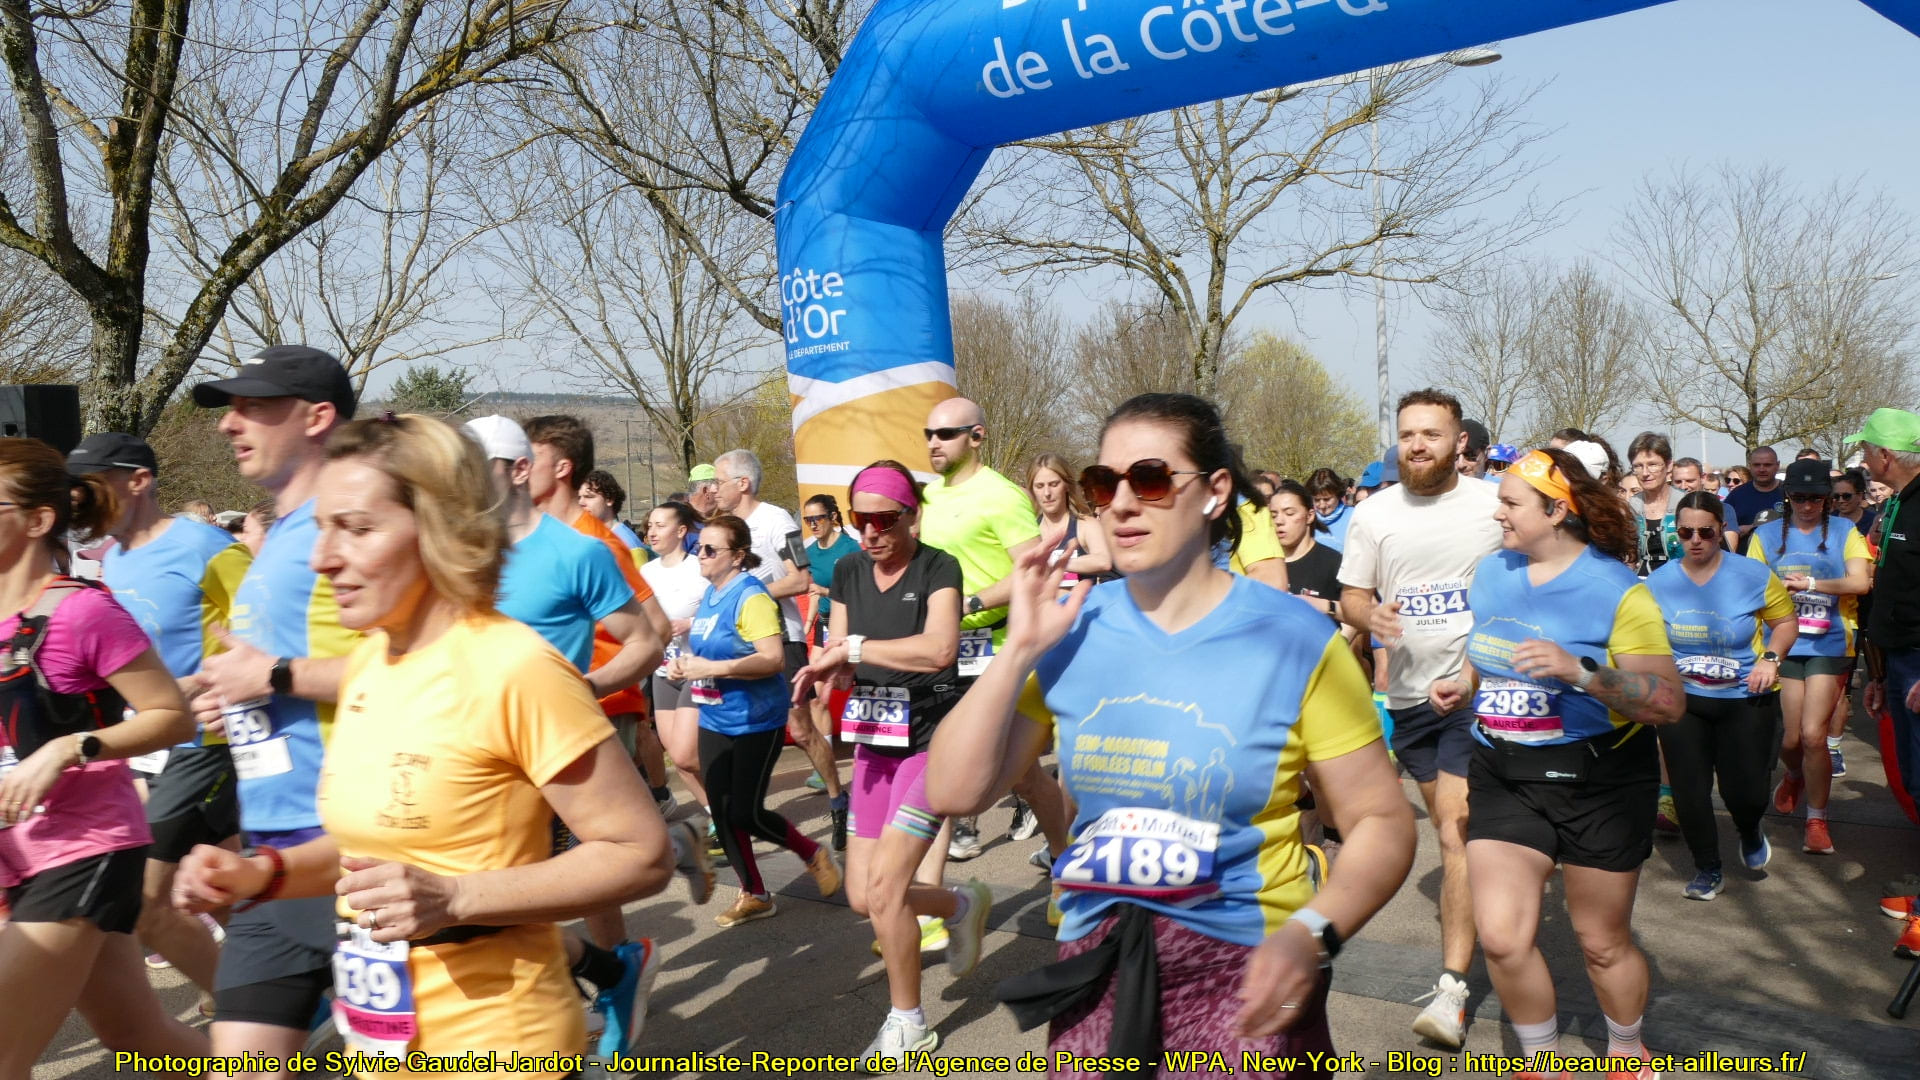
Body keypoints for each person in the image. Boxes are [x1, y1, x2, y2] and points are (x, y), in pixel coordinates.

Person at [925, 392, 1415, 1074]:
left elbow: (1381, 822)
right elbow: (953, 791)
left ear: (1215, 492)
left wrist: (1313, 934)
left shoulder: (1293, 637)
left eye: (1151, 479)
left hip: (1247, 966)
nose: (1122, 504)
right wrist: (1018, 652)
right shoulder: (1073, 627)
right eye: (1104, 484)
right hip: (1099, 958)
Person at [174, 414, 678, 1066]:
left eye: (357, 529)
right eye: (324, 527)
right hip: (387, 1045)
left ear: (438, 530)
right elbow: (375, 849)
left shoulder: (513, 667)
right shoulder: (372, 662)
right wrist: (263, 872)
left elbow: (642, 853)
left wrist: (457, 898)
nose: (323, 557)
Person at [1432, 448, 1683, 1080]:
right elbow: (1487, 652)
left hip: (1599, 781)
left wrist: (1581, 672)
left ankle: (1626, 1048)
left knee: (1601, 944)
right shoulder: (1492, 572)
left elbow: (1667, 702)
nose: (1498, 514)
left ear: (1556, 511)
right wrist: (1463, 683)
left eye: (1511, 503)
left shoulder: (1617, 590)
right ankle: (1542, 1060)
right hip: (1505, 772)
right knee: (1502, 938)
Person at [0, 439, 206, 1076]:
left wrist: (69, 748)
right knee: (138, 1037)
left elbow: (172, 715)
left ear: (37, 520)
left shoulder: (81, 611)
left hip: (83, 848)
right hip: (14, 854)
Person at [187, 345, 366, 1073]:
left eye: (253, 407)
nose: (229, 424)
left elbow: (426, 675)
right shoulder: (282, 535)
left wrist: (274, 674)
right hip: (270, 853)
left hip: (354, 849)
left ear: (317, 417)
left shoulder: (350, 528)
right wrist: (233, 696)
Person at [792, 461, 989, 1059]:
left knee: (885, 889)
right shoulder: (849, 569)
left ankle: (909, 1021)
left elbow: (940, 649)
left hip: (932, 740)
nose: (871, 531)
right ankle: (960, 904)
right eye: (861, 519)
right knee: (862, 897)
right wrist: (830, 671)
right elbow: (841, 647)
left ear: (912, 516)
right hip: (874, 740)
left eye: (885, 519)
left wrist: (854, 649)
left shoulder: (938, 567)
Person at [1337, 389, 1502, 1049]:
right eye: (1408, 434)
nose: (1417, 445)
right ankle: (1499, 879)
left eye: (1430, 434)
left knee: (1455, 830)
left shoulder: (1492, 504)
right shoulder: (1374, 513)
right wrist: (1367, 614)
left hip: (1473, 692)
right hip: (1408, 701)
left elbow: (1530, 580)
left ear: (1459, 442)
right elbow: (1353, 593)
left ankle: (1451, 990)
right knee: (1448, 826)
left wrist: (1480, 670)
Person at [66, 432, 250, 997]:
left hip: (207, 742)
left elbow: (275, 637)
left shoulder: (207, 547)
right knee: (224, 887)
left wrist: (214, 687)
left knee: (146, 900)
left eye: (89, 486)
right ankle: (294, 1000)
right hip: (148, 745)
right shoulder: (114, 560)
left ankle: (256, 1013)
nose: (76, 499)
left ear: (138, 481)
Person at [668, 514, 842, 926]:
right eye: (698, 547)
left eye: (710, 549)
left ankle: (812, 852)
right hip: (715, 717)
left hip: (755, 720)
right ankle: (756, 894)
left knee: (745, 813)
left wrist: (712, 667)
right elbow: (710, 651)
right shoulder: (711, 595)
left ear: (737, 556)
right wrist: (684, 666)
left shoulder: (751, 595)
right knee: (721, 811)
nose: (700, 554)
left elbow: (773, 659)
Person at [917, 399, 1064, 865]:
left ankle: (1064, 857)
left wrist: (972, 602)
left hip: (995, 648)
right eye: (929, 434)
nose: (934, 443)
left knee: (1021, 775)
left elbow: (1034, 571)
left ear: (976, 436)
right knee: (938, 759)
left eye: (946, 434)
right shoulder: (928, 496)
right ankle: (932, 886)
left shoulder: (1001, 496)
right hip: (942, 648)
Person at [524, 416, 677, 850]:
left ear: (562, 467)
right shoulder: (535, 537)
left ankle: (674, 848)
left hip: (600, 706)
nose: (520, 466)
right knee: (561, 845)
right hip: (545, 707)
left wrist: (597, 684)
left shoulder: (598, 544)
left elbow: (658, 628)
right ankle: (675, 847)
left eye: (530, 457)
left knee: (586, 845)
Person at [1645, 490, 1798, 899]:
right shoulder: (1659, 582)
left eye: (1706, 532)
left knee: (1744, 793)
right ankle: (1707, 868)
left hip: (1746, 697)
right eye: (1685, 533)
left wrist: (1770, 659)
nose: (1695, 541)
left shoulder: (1752, 575)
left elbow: (1786, 623)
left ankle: (1749, 828)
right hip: (1685, 700)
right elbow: (1646, 639)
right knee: (1689, 790)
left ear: (1721, 529)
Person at [712, 448, 847, 837]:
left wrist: (748, 595)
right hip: (737, 642)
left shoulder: (777, 521)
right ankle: (733, 816)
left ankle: (837, 799)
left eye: (719, 482)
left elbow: (801, 579)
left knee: (800, 730)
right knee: (736, 727)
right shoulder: (722, 528)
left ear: (743, 483)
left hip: (781, 637)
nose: (714, 489)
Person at [1746, 459, 1872, 856]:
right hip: (1782, 645)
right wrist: (1777, 592)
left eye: (1816, 499)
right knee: (1791, 738)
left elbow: (1861, 582)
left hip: (1829, 644)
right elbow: (1749, 586)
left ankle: (1817, 819)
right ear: (1787, 497)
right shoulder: (1766, 535)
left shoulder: (1844, 531)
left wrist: (1813, 584)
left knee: (1815, 735)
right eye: (1799, 498)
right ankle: (1795, 774)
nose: (1806, 506)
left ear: (1828, 499)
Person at [1849, 409, 1920, 957]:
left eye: (1867, 450)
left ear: (1887, 456)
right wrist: (1876, 673)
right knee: (1915, 778)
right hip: (1897, 661)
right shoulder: (1897, 503)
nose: (1864, 459)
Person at [641, 501, 715, 839]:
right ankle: (718, 814)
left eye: (660, 525)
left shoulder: (699, 568)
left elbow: (722, 612)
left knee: (686, 754)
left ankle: (730, 803)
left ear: (682, 531)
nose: (652, 532)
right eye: (649, 525)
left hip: (697, 667)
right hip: (663, 671)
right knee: (679, 757)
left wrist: (691, 623)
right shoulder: (646, 572)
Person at [801, 494, 862, 839]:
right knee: (817, 696)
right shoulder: (811, 552)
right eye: (808, 520)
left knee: (849, 688)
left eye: (818, 518)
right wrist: (809, 623)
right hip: (825, 625)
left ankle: (869, 752)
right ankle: (823, 759)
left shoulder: (850, 549)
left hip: (852, 625)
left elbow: (855, 592)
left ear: (833, 517)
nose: (813, 525)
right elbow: (812, 593)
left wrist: (823, 590)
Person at [1029, 452, 1113, 590]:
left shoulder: (1086, 525)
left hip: (1081, 603)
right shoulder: (1030, 529)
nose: (1047, 493)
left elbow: (1104, 561)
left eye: (1054, 484)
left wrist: (1056, 563)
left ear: (1066, 485)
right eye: (1039, 486)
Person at [1270, 478, 1342, 622]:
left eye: (1289, 513)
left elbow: (1362, 611)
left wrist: (1326, 606)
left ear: (1309, 516)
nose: (1279, 521)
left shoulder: (1333, 562)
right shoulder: (1264, 563)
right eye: (1273, 515)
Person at [1626, 432, 1681, 578]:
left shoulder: (1685, 503)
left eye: (1652, 465)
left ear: (1669, 465)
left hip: (1681, 581)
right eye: (1638, 466)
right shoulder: (1630, 507)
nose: (1645, 473)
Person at [1669, 458, 1740, 546]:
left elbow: (1730, 547)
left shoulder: (1723, 509)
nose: (1683, 487)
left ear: (1703, 478)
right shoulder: (1665, 512)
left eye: (1690, 481)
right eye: (1678, 482)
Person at [1724, 446, 1785, 541]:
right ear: (1750, 466)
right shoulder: (1736, 495)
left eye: (1767, 465)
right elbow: (1721, 530)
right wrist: (1741, 530)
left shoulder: (1790, 493)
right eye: (1757, 465)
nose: (1762, 469)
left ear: (1777, 465)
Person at [581, 469, 646, 555]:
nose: (581, 503)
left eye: (589, 497)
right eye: (578, 498)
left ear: (609, 499)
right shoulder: (587, 538)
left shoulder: (627, 544)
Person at [1306, 469, 1352, 551]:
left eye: (1327, 499)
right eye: (1316, 500)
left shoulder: (1354, 516)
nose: (1322, 505)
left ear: (1338, 495)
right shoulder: (1306, 519)